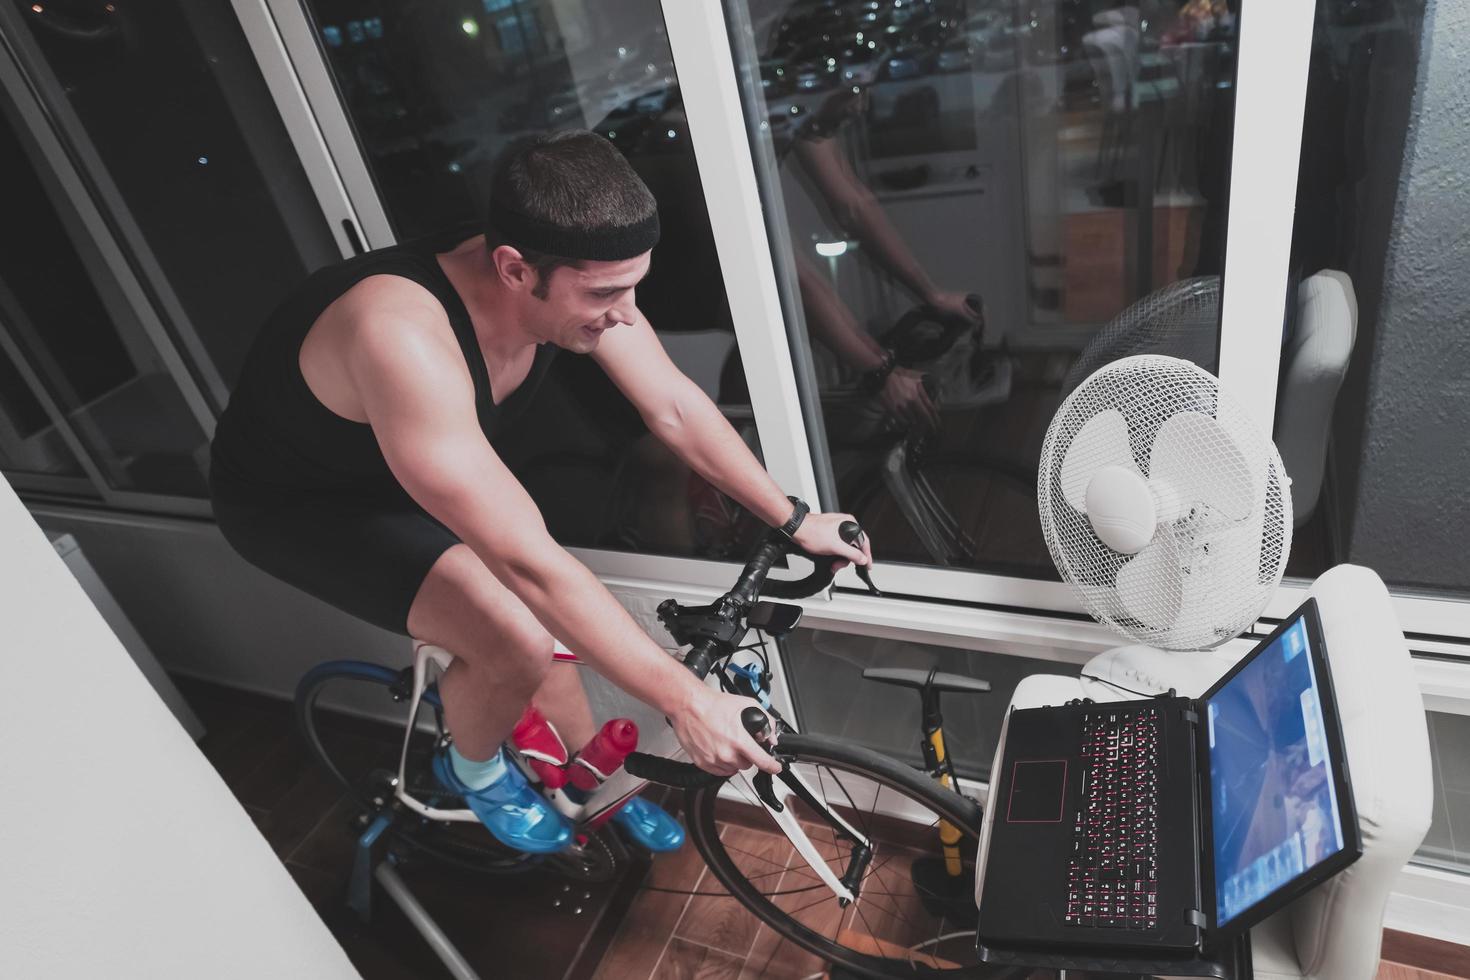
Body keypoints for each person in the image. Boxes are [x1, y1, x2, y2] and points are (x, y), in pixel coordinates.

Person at [209, 130, 872, 855]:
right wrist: (688, 702)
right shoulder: (398, 335)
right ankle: (473, 767)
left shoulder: (567, 264)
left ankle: (587, 788)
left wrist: (792, 516)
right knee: (518, 632)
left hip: (419, 454)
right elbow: (530, 565)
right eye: (605, 294)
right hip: (306, 505)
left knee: (560, 638)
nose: (626, 313)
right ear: (515, 270)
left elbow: (672, 406)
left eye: (634, 285)